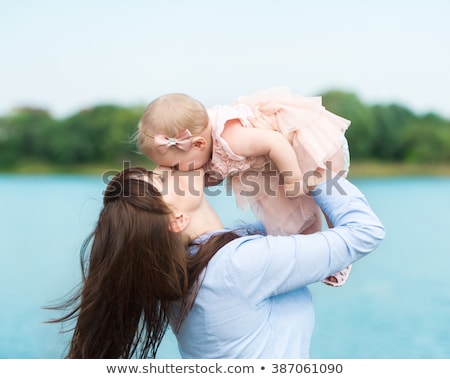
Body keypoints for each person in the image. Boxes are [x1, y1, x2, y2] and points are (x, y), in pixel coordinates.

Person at [49, 164, 385, 359]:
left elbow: (275, 230)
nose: (169, 166)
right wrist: (316, 169)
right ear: (176, 219)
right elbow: (365, 231)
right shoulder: (237, 265)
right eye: (164, 180)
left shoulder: (194, 265)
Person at [135, 87, 352, 286]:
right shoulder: (202, 145)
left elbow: (275, 143)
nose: (176, 171)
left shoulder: (232, 137)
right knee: (292, 213)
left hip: (301, 144)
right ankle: (312, 252)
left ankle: (340, 248)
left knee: (324, 195)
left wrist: (293, 180)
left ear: (198, 144)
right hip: (274, 162)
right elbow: (220, 167)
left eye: (174, 165)